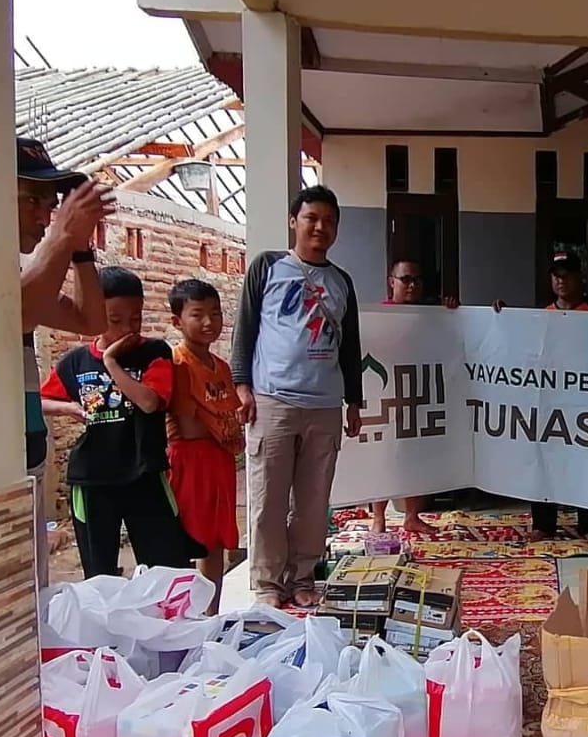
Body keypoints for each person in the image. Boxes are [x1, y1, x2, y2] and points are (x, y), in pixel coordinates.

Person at [231, 186, 363, 608]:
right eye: (312, 218)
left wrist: (354, 401)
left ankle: (303, 577)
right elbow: (245, 328)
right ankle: (268, 583)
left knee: (313, 502)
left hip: (324, 406)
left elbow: (350, 346)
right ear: (294, 222)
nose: (320, 227)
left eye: (329, 221)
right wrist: (242, 385)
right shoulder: (268, 267)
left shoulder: (341, 282)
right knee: (268, 498)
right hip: (273, 401)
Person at [40, 267, 194, 577]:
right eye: (115, 320)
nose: (127, 328)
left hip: (144, 472)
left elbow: (149, 402)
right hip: (92, 478)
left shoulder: (154, 352)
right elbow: (40, 400)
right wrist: (68, 407)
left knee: (167, 567)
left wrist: (110, 362)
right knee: (99, 572)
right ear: (95, 315)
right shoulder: (75, 362)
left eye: (135, 318)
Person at [17, 138, 114, 588]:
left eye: (50, 204)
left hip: (27, 446)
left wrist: (80, 251)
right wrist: (61, 237)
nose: (44, 216)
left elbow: (91, 320)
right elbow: (16, 313)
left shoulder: (14, 270)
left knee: (31, 589)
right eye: (32, 200)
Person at [167, 279, 243, 613]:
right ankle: (185, 615)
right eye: (197, 314)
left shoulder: (221, 366)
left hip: (220, 459)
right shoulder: (177, 363)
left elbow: (228, 414)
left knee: (216, 541)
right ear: (177, 321)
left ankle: (211, 613)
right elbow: (189, 425)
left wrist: (225, 428)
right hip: (191, 460)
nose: (209, 322)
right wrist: (224, 427)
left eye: (215, 313)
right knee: (189, 540)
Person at [371, 256, 459, 536]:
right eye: (405, 279)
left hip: (420, 395)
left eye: (417, 280)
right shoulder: (377, 316)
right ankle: (378, 518)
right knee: (383, 459)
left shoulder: (430, 315)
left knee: (418, 458)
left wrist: (450, 312)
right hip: (386, 396)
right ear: (391, 282)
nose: (411, 285)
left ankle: (412, 516)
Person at [532, 251, 588, 538]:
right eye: (556, 276)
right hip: (550, 400)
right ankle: (543, 525)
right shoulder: (541, 313)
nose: (561, 281)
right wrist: (499, 317)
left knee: (587, 463)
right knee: (545, 463)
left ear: (579, 278)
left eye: (566, 276)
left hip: (586, 400)